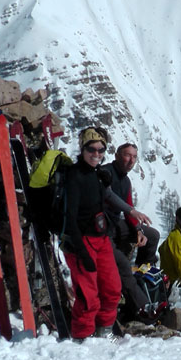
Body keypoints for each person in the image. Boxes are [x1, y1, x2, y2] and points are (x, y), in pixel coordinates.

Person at [61, 127, 122, 340]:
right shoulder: (74, 177)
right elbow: (70, 219)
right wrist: (81, 252)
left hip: (101, 239)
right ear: (82, 148)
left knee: (113, 289)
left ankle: (104, 332)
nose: (97, 153)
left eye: (101, 149)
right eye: (91, 149)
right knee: (88, 297)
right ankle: (82, 339)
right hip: (82, 242)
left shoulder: (97, 174)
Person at [103, 142, 162, 320]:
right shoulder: (106, 173)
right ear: (117, 156)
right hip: (103, 228)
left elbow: (127, 206)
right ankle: (144, 308)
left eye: (134, 157)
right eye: (127, 155)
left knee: (152, 235)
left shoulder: (126, 180)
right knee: (121, 265)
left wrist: (137, 229)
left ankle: (142, 274)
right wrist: (132, 213)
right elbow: (112, 199)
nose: (131, 160)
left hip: (116, 224)